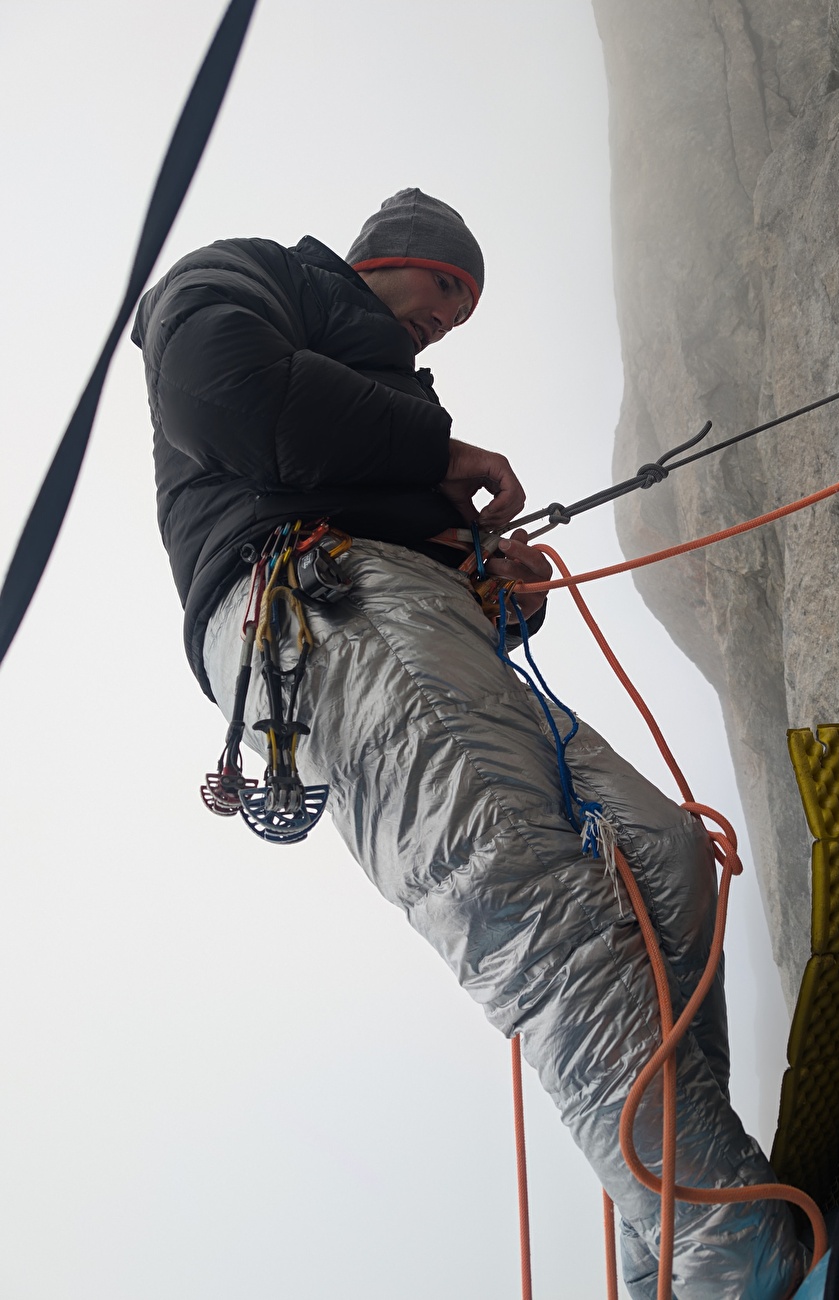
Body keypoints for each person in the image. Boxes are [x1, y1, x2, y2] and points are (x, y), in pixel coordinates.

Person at [133, 187, 802, 1298]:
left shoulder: (388, 414)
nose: (449, 321)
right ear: (392, 256)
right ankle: (729, 1250)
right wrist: (436, 449)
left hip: (407, 619)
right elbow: (226, 391)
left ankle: (674, 1253)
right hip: (312, 604)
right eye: (448, 290)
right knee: (522, 892)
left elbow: (358, 475)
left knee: (667, 864)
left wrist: (488, 577)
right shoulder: (241, 275)